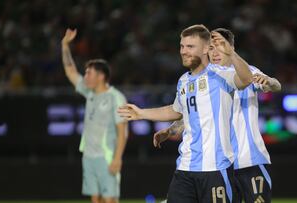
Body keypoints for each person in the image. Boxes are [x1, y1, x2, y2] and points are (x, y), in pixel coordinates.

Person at [118, 24, 253, 203]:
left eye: (190, 47)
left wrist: (231, 54)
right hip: (186, 168)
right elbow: (175, 110)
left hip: (215, 169)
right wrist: (142, 113)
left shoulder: (221, 74)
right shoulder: (184, 81)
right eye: (182, 46)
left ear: (206, 48)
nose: (183, 51)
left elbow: (246, 79)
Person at [153, 28, 281, 203]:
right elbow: (195, 115)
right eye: (211, 48)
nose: (214, 52)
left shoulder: (248, 72)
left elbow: (276, 86)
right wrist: (171, 130)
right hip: (221, 165)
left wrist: (270, 82)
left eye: (219, 46)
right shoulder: (205, 78)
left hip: (249, 160)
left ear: (230, 47)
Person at [61, 28, 128, 203]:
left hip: (106, 156)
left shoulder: (116, 97)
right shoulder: (89, 92)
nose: (86, 77)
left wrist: (117, 159)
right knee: (95, 199)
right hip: (89, 155)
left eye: (89, 73)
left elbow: (123, 131)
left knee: (110, 200)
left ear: (101, 76)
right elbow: (70, 71)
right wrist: (64, 45)